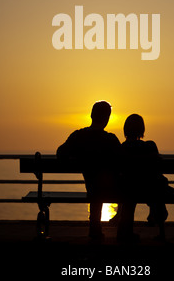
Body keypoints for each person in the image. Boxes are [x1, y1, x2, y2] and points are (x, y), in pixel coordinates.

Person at [56, 100, 121, 241]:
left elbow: (61, 153)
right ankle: (123, 228)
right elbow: (123, 162)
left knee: (96, 186)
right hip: (114, 188)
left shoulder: (78, 136)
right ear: (107, 118)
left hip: (92, 186)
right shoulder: (110, 139)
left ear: (91, 115)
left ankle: (95, 228)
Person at [117, 114, 174, 242]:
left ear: (125, 129)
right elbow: (158, 170)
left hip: (130, 190)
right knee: (157, 188)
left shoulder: (122, 149)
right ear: (142, 129)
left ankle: (126, 233)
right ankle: (159, 225)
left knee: (130, 194)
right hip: (150, 190)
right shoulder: (150, 146)